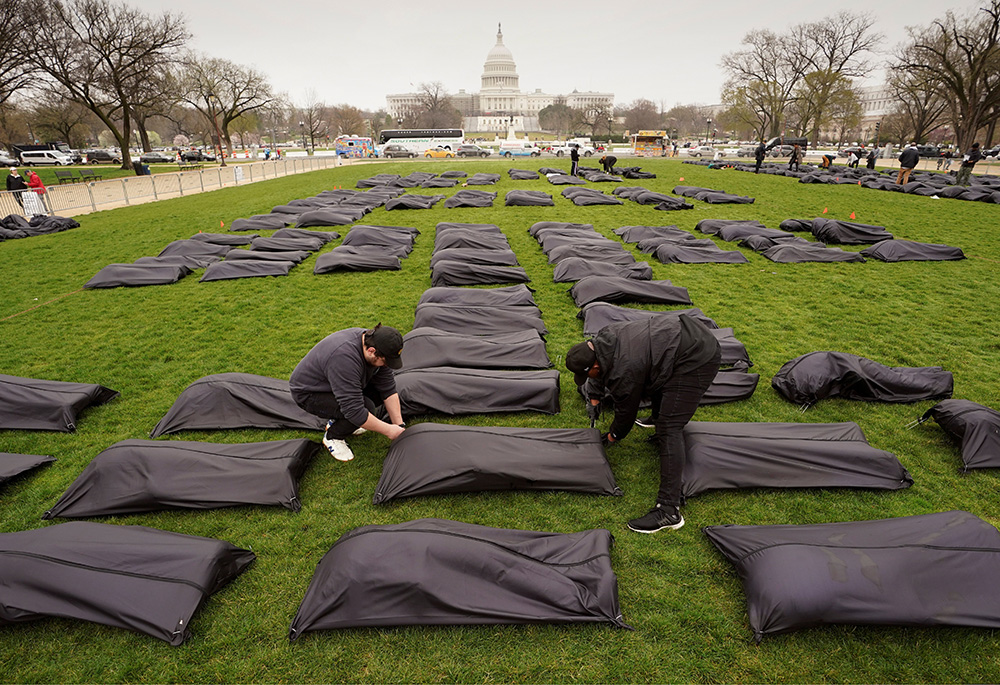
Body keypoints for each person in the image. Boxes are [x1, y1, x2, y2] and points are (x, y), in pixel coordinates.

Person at [565, 315, 722, 534]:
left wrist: (613, 436)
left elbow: (626, 412)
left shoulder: (623, 369)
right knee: (658, 379)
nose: (589, 377)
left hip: (696, 355)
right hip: (675, 340)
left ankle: (669, 510)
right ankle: (658, 418)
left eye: (587, 374)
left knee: (670, 427)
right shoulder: (603, 338)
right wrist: (593, 397)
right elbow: (599, 372)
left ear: (595, 363)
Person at [289, 323, 406, 462]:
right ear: (371, 351)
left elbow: (388, 389)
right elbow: (354, 411)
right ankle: (333, 437)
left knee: (376, 396)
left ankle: (338, 420)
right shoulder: (344, 359)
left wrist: (399, 426)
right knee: (366, 408)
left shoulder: (376, 345)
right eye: (386, 362)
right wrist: (389, 431)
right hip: (310, 393)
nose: (387, 366)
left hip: (335, 384)